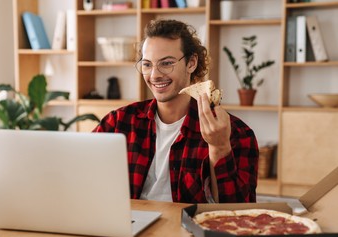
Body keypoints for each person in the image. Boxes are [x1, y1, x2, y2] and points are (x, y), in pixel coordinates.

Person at [93, 19, 259, 203]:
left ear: (191, 63)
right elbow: (83, 176)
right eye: (147, 64)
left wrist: (219, 148)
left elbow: (237, 212)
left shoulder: (236, 133)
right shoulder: (118, 122)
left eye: (166, 63)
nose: (154, 75)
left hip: (189, 229)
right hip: (129, 226)